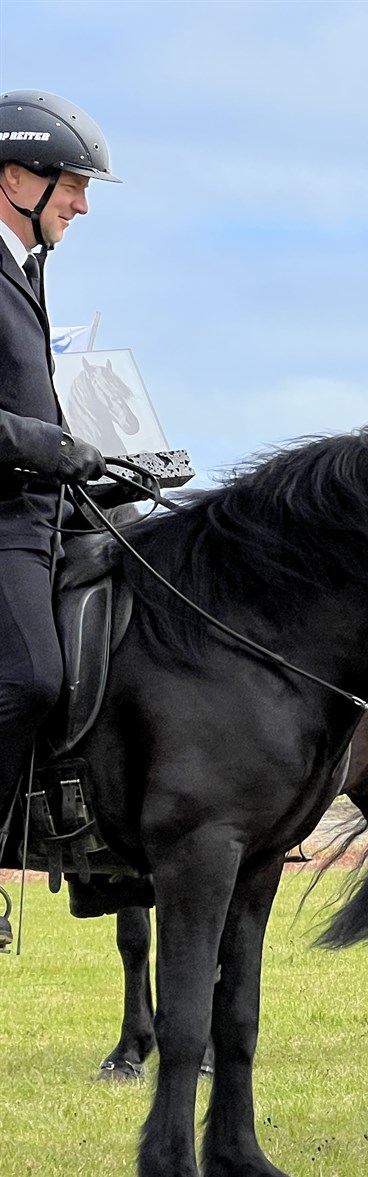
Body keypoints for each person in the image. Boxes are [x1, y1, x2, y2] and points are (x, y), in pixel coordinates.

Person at [0, 90, 116, 950]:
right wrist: (45, 443)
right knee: (35, 678)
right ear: (16, 177)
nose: (81, 203)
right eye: (72, 185)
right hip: (4, 517)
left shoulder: (28, 267)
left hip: (46, 509)